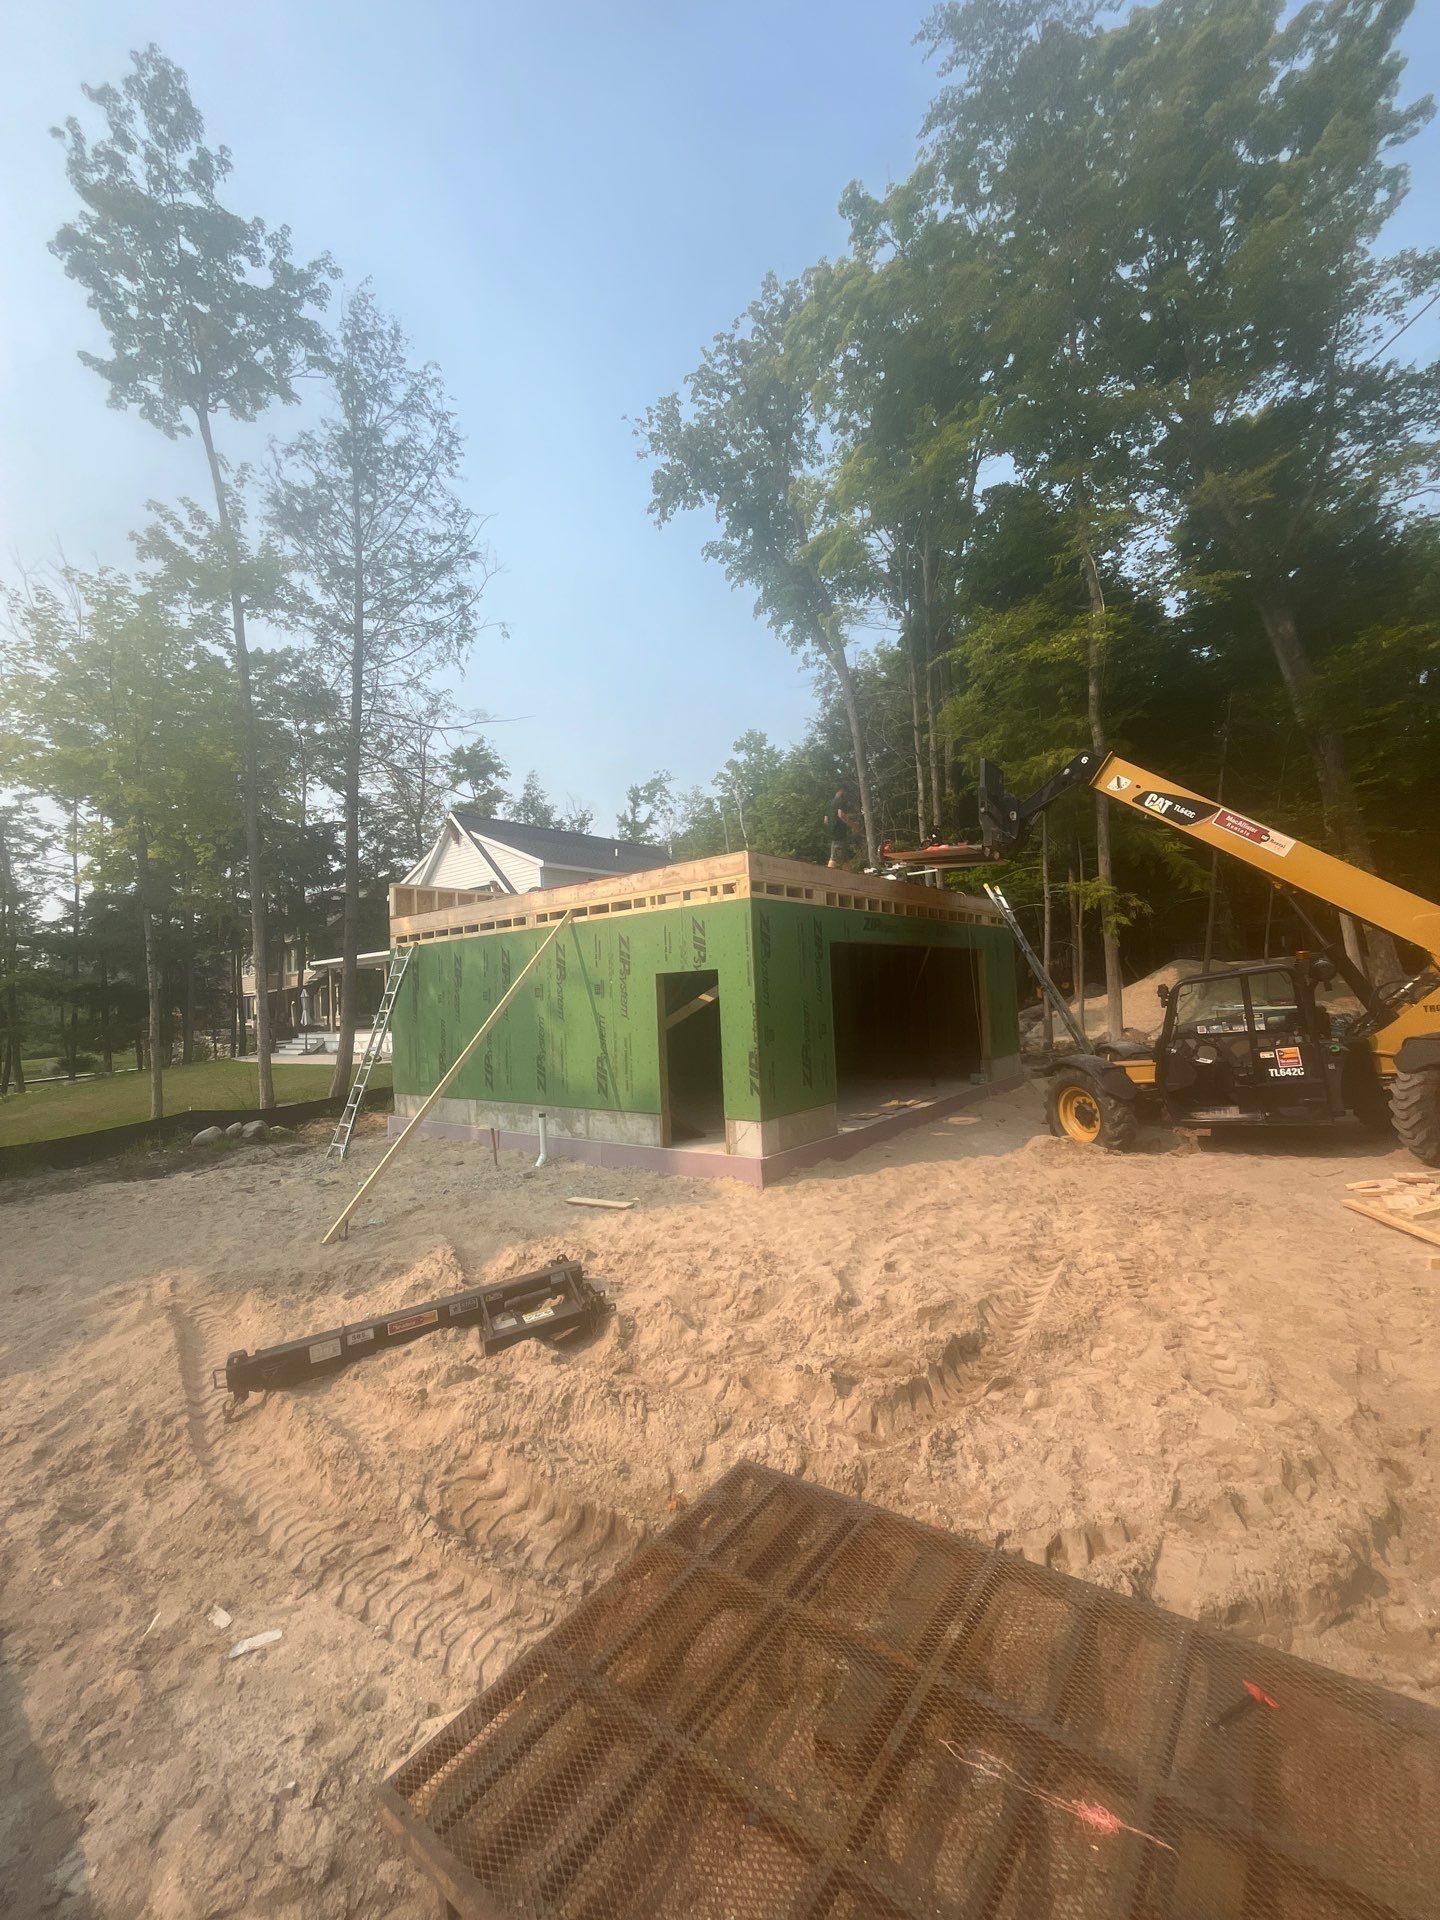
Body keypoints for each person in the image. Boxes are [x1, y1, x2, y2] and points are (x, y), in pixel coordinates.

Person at [825, 787, 853, 868]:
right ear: (841, 790)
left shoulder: (829, 803)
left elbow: (826, 820)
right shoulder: (840, 801)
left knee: (844, 859)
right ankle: (828, 875)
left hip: (833, 833)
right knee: (834, 858)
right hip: (840, 833)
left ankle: (848, 875)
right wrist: (852, 824)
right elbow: (841, 814)